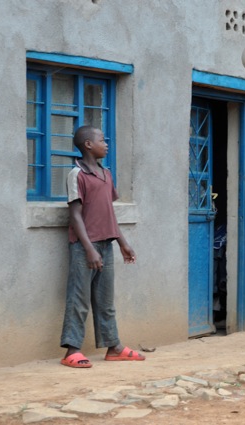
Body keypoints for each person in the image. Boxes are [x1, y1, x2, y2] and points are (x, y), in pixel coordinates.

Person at [60, 125, 145, 368]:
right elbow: (75, 215)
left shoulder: (106, 174)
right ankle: (72, 350)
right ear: (88, 144)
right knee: (79, 299)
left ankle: (113, 346)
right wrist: (89, 249)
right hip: (84, 247)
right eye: (101, 140)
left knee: (105, 300)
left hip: (106, 245)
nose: (106, 144)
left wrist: (122, 242)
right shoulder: (76, 174)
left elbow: (108, 213)